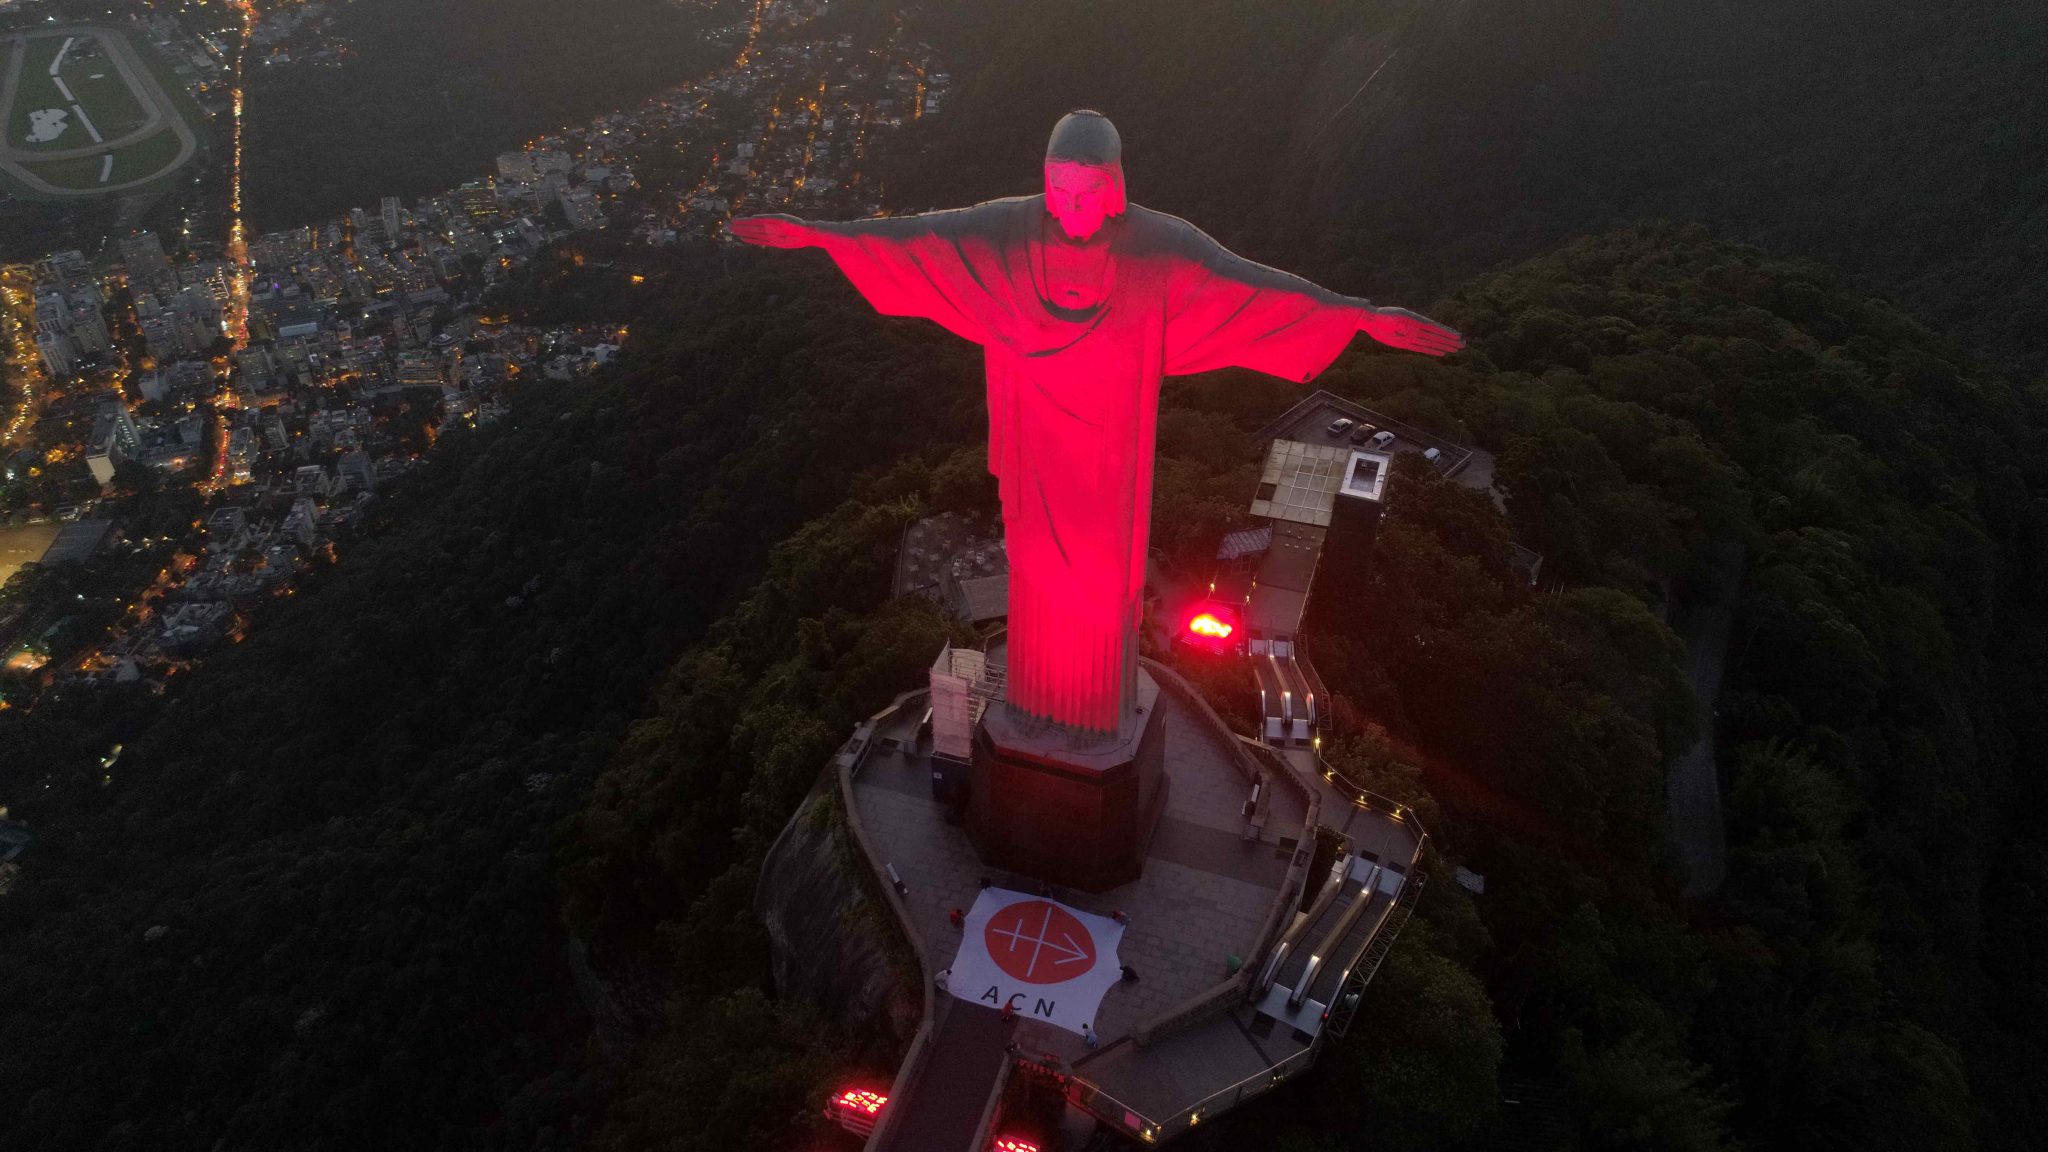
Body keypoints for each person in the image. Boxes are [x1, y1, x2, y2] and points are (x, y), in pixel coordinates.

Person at [731, 111, 1461, 735]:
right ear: (1045, 182)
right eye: (1060, 190)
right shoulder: (1007, 233)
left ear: (1113, 188)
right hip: (1035, 446)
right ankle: (1037, 704)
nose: (1072, 205)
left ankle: (1091, 709)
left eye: (1087, 191)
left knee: (1103, 585)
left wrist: (1358, 317)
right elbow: (918, 239)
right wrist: (819, 235)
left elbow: (1249, 287)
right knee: (1035, 572)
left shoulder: (1157, 249)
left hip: (1109, 454)